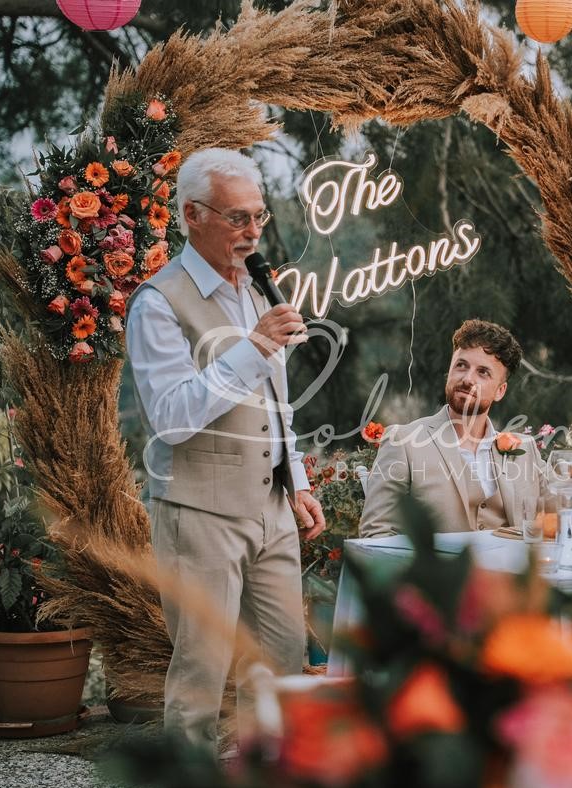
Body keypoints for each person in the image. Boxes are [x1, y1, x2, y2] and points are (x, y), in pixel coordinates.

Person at [126, 147, 325, 751]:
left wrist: (298, 482)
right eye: (238, 217)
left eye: (259, 216)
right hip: (199, 511)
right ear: (192, 215)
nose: (253, 231)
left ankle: (266, 776)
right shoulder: (158, 301)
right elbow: (171, 418)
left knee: (283, 660)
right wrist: (254, 347)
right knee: (202, 671)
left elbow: (277, 400)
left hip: (272, 509)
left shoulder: (259, 288)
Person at [359, 319, 544, 537]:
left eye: (483, 372)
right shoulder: (403, 441)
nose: (467, 379)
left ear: (500, 391)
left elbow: (559, 515)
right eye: (461, 365)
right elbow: (376, 533)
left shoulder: (525, 451)